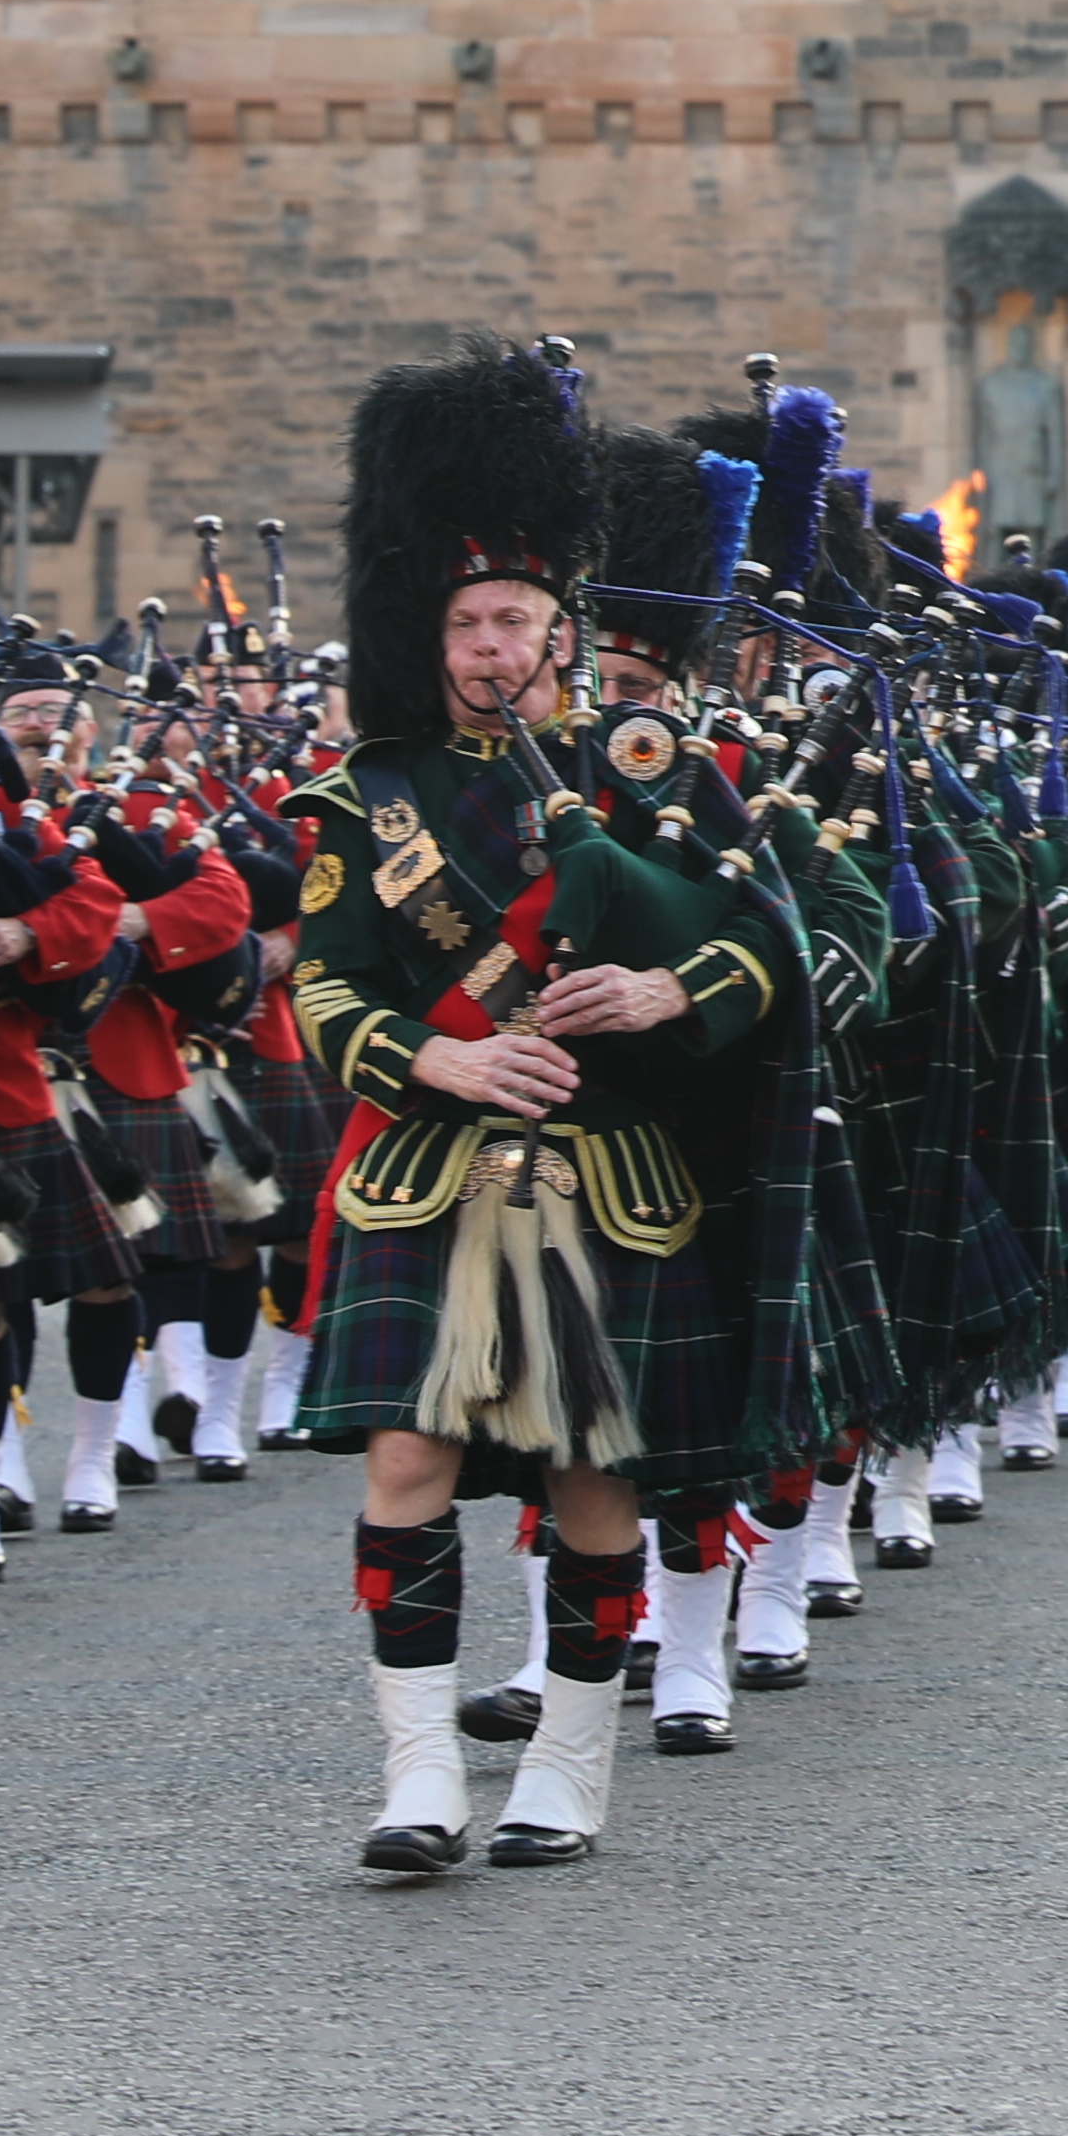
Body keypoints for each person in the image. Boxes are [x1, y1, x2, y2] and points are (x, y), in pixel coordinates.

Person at [291, 342, 777, 1882]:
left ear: (563, 634)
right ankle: (420, 1770)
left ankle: (568, 1767)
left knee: (590, 1479)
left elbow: (766, 941)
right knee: (405, 1469)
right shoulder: (372, 799)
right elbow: (324, 991)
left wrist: (663, 992)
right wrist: (433, 1060)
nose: (491, 644)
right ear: (427, 635)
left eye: (516, 619)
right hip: (436, 1169)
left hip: (610, 1167)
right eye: (466, 620)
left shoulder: (652, 772)